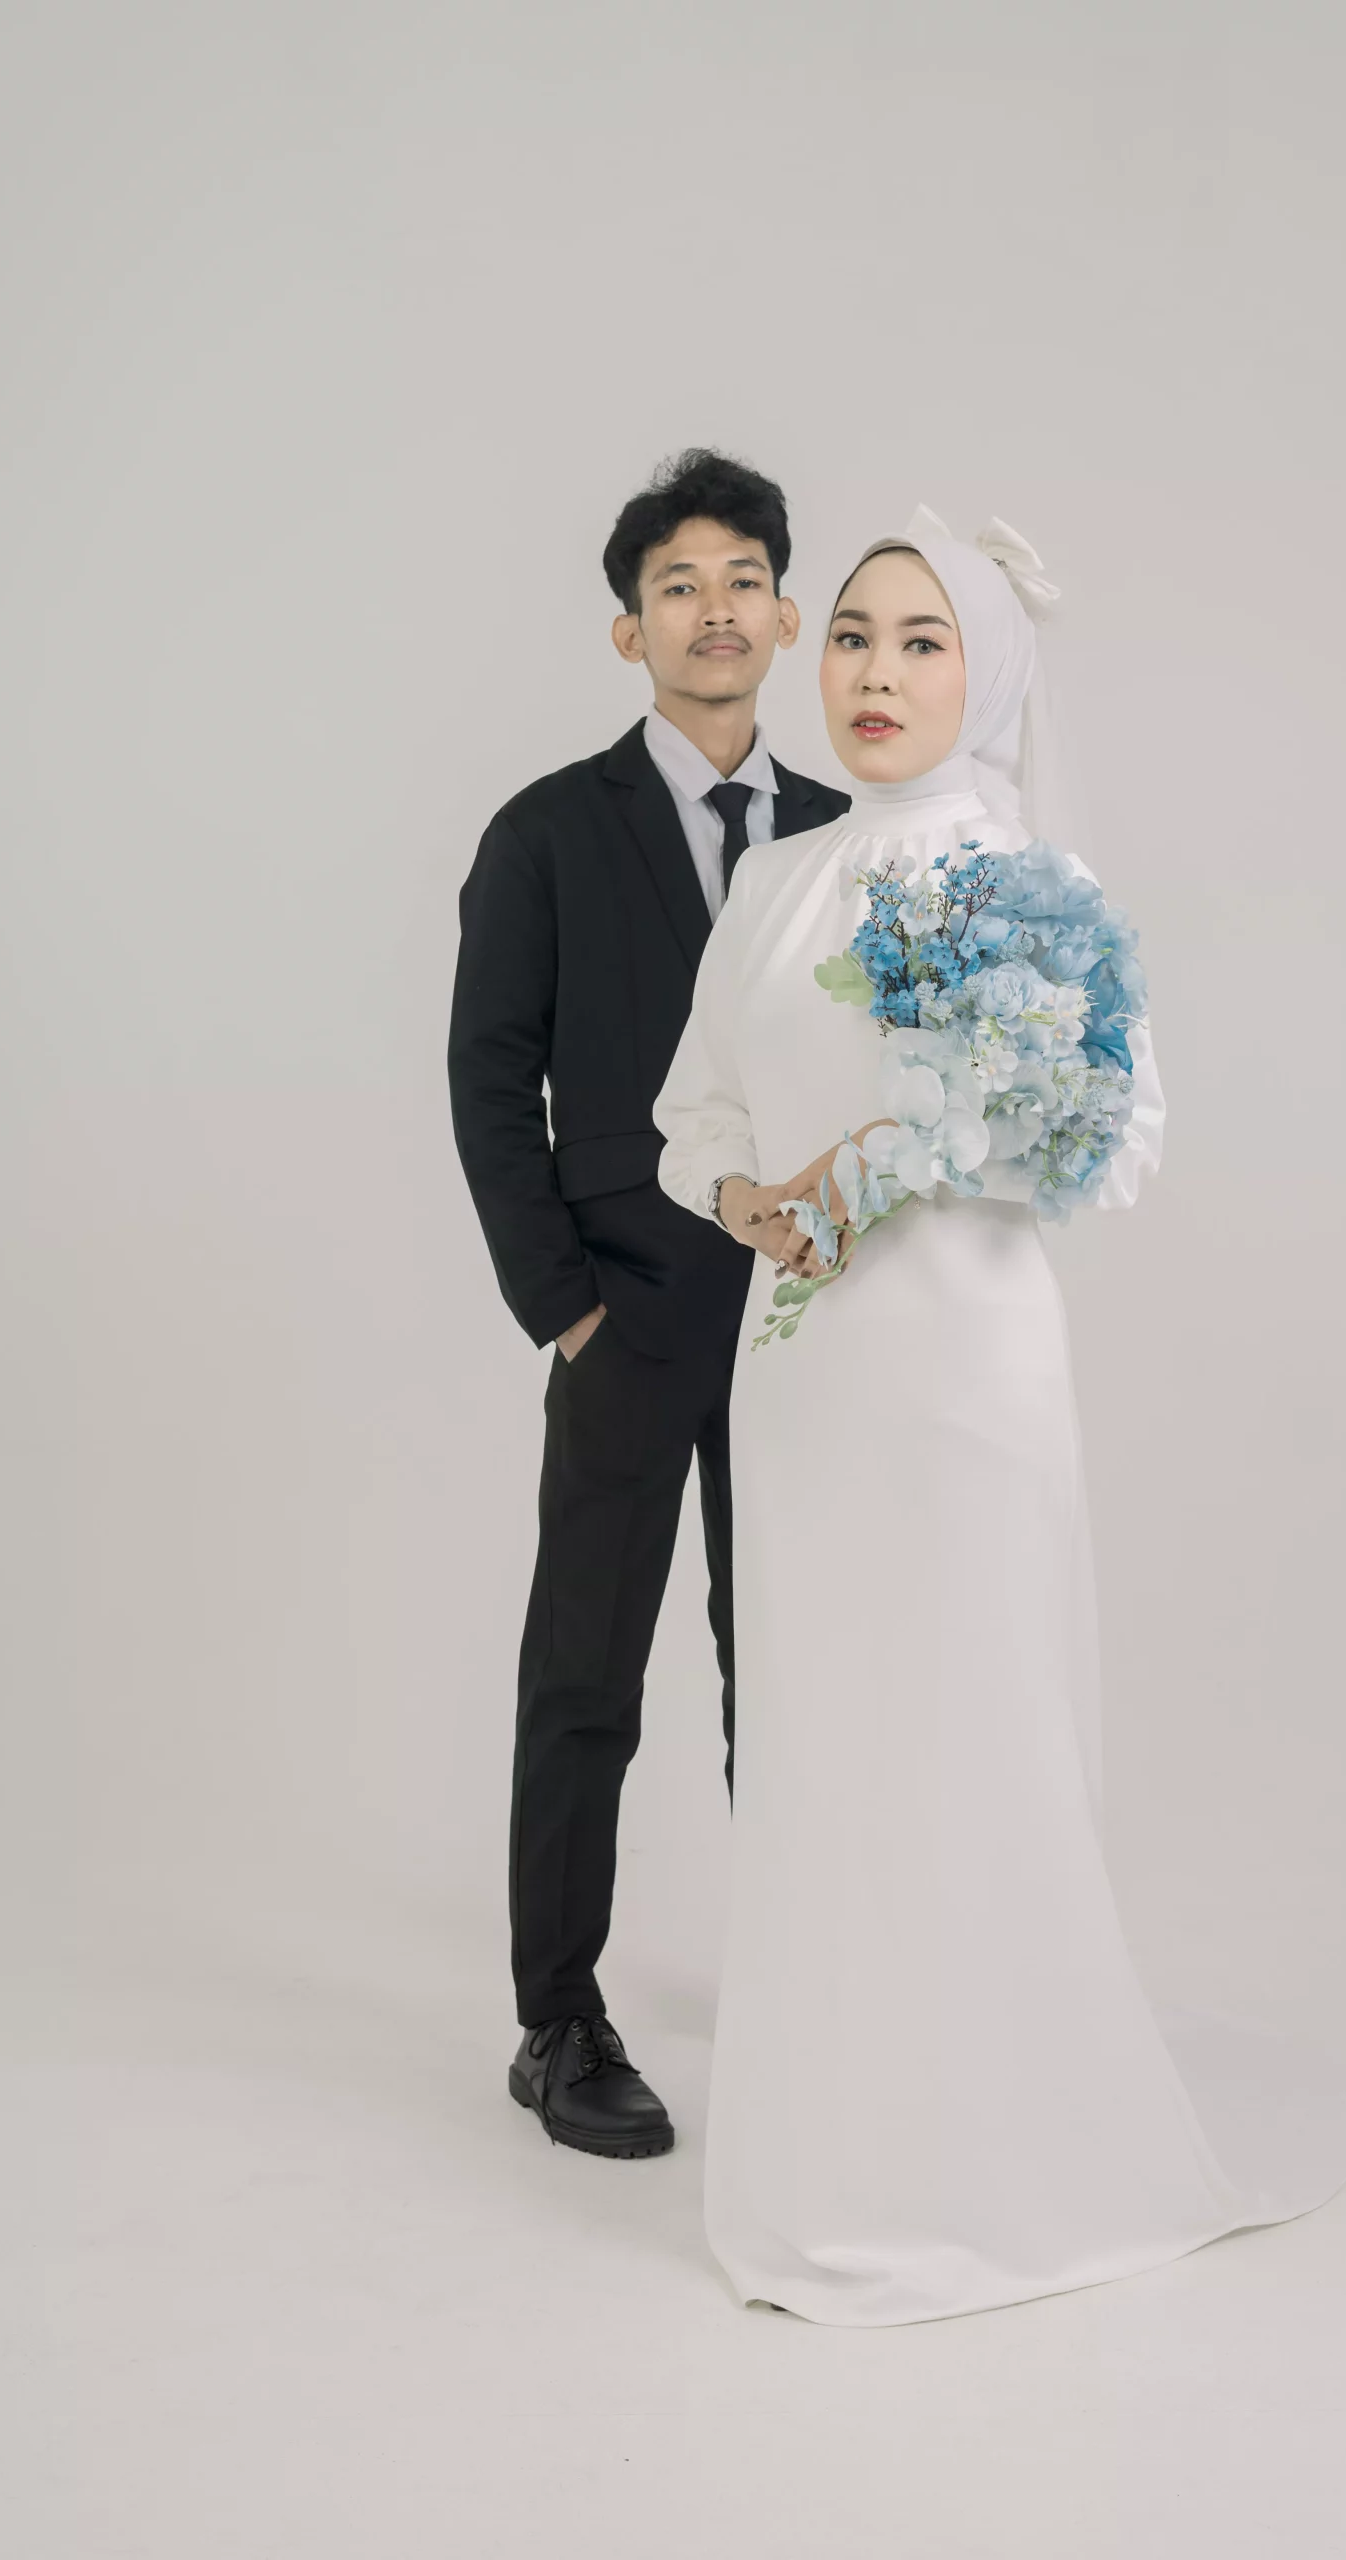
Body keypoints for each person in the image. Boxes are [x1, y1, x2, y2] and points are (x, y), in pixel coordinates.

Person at [652, 512, 1346, 2323]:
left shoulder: (1017, 880)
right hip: (801, 1370)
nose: (877, 675)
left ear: (989, 677)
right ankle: (841, 2143)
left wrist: (885, 1162)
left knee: (967, 1724)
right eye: (855, 637)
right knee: (821, 1736)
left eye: (924, 643)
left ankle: (996, 2150)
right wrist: (748, 1197)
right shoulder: (773, 882)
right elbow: (692, 1112)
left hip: (959, 1374)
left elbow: (1100, 1133)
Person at [447, 450, 850, 2160]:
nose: (714, 608)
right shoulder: (547, 831)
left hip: (808, 1322)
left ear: (784, 614)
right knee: (586, 1676)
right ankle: (558, 2019)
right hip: (626, 1308)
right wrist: (564, 1307)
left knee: (801, 1667)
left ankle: (813, 1985)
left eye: (743, 577)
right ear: (631, 631)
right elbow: (491, 1080)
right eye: (678, 584)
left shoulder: (842, 835)